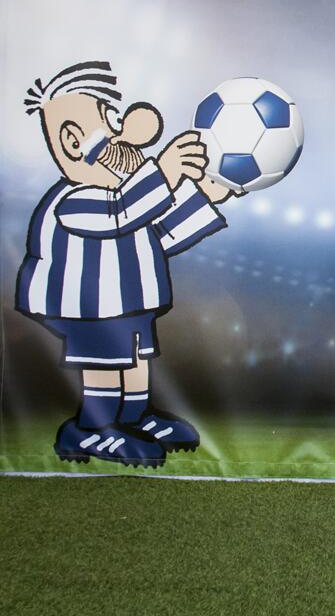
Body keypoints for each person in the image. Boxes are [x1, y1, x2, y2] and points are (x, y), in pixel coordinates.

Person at [16, 62, 233, 467]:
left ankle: (134, 417)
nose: (127, 135)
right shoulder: (75, 199)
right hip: (88, 307)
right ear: (72, 140)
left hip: (127, 304)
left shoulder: (123, 197)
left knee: (134, 358)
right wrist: (165, 173)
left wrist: (203, 196)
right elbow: (121, 212)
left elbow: (159, 234)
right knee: (104, 360)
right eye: (111, 122)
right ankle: (91, 428)